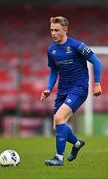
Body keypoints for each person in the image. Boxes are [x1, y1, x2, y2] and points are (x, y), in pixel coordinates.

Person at [40, 16, 102, 166]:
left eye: (56, 30)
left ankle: (58, 158)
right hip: (63, 90)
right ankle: (77, 143)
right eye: (51, 30)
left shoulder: (77, 46)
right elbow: (54, 70)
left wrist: (97, 83)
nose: (53, 33)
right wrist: (49, 88)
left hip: (79, 89)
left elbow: (96, 61)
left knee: (60, 118)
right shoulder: (52, 50)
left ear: (65, 30)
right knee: (57, 126)